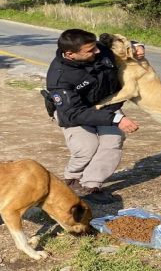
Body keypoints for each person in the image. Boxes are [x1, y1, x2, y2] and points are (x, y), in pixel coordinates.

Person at [45, 29, 144, 204]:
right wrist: (117, 119)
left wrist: (136, 46)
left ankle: (91, 185)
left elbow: (119, 42)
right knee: (87, 148)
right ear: (70, 54)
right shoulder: (59, 77)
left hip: (105, 105)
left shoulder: (99, 48)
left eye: (96, 47)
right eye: (90, 51)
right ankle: (72, 179)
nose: (97, 51)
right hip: (75, 112)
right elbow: (73, 112)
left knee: (113, 140)